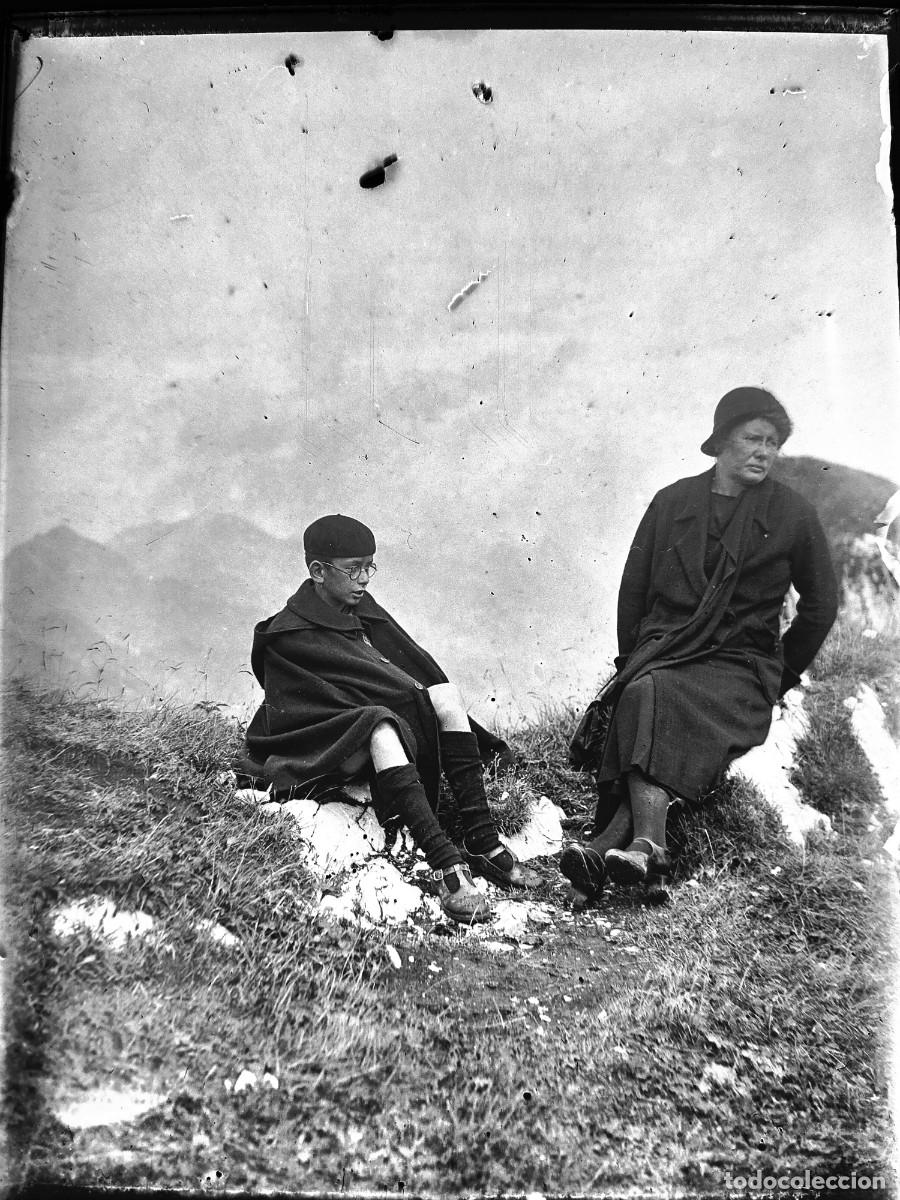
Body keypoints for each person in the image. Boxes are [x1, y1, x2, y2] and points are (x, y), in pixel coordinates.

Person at [563, 387, 839, 898]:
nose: (764, 451)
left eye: (773, 442)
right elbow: (635, 590)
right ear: (721, 442)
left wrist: (782, 673)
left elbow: (822, 603)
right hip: (665, 651)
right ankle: (641, 851)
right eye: (753, 438)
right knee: (645, 687)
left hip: (740, 665)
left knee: (652, 694)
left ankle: (617, 845)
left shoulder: (791, 514)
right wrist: (633, 661)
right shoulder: (672, 503)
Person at [237, 514, 536, 924]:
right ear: (318, 572)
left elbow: (410, 671)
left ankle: (481, 838)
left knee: (446, 695)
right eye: (353, 569)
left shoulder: (362, 609)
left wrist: (414, 703)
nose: (364, 579)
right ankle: (444, 861)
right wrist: (376, 710)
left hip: (369, 727)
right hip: (320, 744)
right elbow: (304, 708)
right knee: (378, 725)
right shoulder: (288, 634)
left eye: (369, 567)